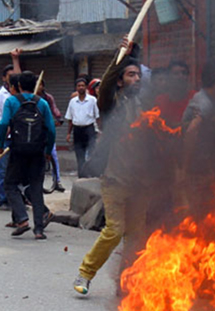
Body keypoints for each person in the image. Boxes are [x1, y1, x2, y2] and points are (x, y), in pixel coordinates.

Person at [72, 42, 146, 296]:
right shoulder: (112, 105)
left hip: (141, 183)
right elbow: (105, 86)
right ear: (121, 81)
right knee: (114, 230)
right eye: (130, 74)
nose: (136, 78)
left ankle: (126, 283)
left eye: (138, 74)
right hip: (115, 179)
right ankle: (85, 273)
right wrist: (120, 56)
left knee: (136, 237)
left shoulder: (145, 107)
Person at [0, 71, 55, 240]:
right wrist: (48, 151)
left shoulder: (11, 101)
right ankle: (39, 229)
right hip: (37, 151)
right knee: (35, 187)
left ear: (18, 86)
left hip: (18, 150)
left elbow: (4, 122)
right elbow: (51, 128)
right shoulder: (42, 103)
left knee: (10, 184)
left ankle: (22, 219)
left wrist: (2, 143)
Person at [0, 52, 22, 211]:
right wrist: (8, 126)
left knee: (17, 170)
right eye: (9, 76)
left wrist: (16, 59)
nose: (12, 78)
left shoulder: (19, 96)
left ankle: (16, 199)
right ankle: (3, 199)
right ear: (4, 78)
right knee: (2, 170)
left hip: (18, 138)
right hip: (3, 137)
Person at [64, 76, 100, 178]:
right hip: (77, 130)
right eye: (79, 86)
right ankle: (82, 177)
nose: (81, 87)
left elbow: (97, 117)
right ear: (76, 88)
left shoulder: (92, 100)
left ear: (86, 88)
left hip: (89, 130)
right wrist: (68, 133)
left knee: (92, 154)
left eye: (83, 86)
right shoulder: (72, 102)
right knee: (79, 156)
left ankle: (92, 175)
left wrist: (100, 130)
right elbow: (70, 119)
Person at [36, 79, 65, 193]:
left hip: (46, 128)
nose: (38, 87)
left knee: (53, 154)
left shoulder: (47, 98)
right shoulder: (30, 97)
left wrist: (59, 118)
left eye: (40, 85)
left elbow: (54, 109)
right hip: (34, 129)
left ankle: (57, 180)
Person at [154, 60, 193, 127]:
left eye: (184, 73)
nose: (181, 76)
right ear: (169, 78)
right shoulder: (160, 100)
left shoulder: (195, 98)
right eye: (176, 73)